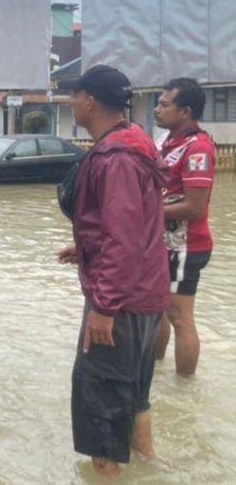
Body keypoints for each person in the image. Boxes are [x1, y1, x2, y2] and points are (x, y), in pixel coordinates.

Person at [55, 65, 170, 478]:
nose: (71, 103)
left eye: (74, 96)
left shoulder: (115, 157)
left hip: (119, 303)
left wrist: (104, 306)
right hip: (146, 295)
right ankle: (149, 468)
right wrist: (85, 246)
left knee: (101, 410)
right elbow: (130, 225)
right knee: (134, 397)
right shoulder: (136, 142)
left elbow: (122, 238)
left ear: (89, 101)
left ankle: (107, 475)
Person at [152, 77, 216, 377]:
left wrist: (147, 212)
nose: (156, 110)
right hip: (165, 243)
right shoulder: (168, 143)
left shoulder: (198, 148)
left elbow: (195, 207)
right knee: (158, 311)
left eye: (165, 105)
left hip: (185, 246)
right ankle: (156, 371)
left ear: (185, 112)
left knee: (180, 316)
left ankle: (185, 386)